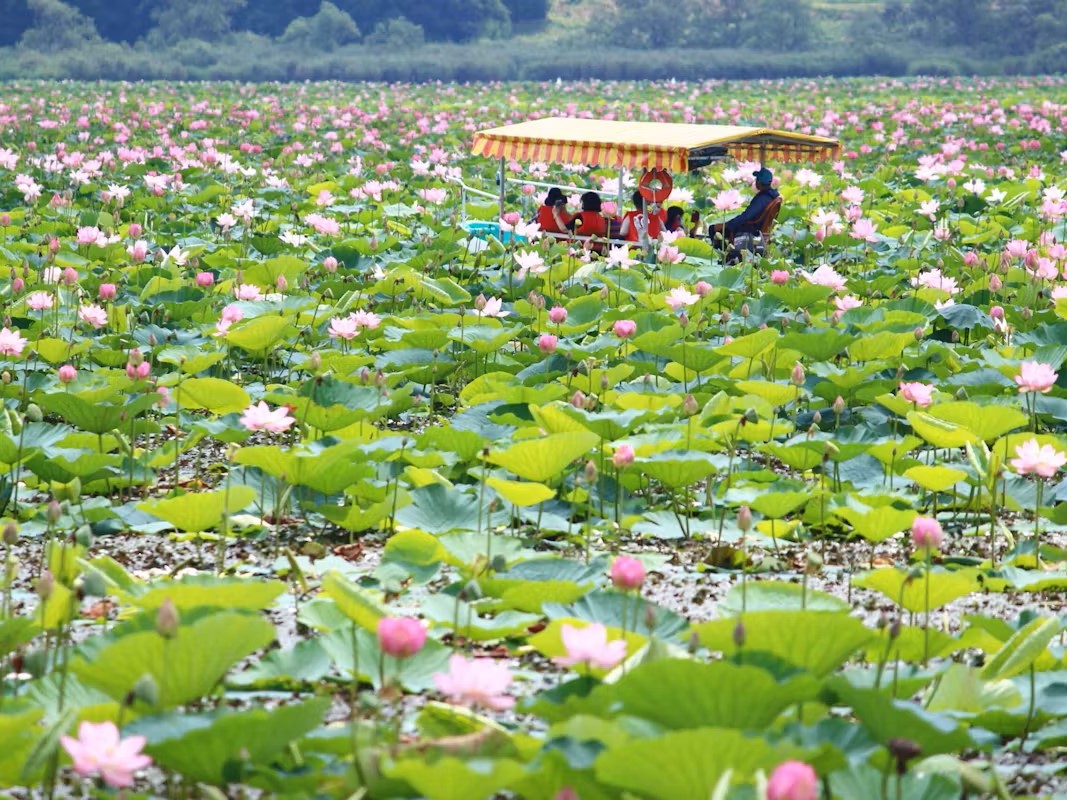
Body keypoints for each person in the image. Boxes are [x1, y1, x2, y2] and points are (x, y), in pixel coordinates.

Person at [709, 167, 780, 244]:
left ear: (758, 182)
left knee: (713, 229)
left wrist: (727, 225)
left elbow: (746, 216)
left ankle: (724, 253)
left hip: (749, 230)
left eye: (756, 179)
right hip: (756, 228)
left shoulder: (762, 199)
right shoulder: (772, 196)